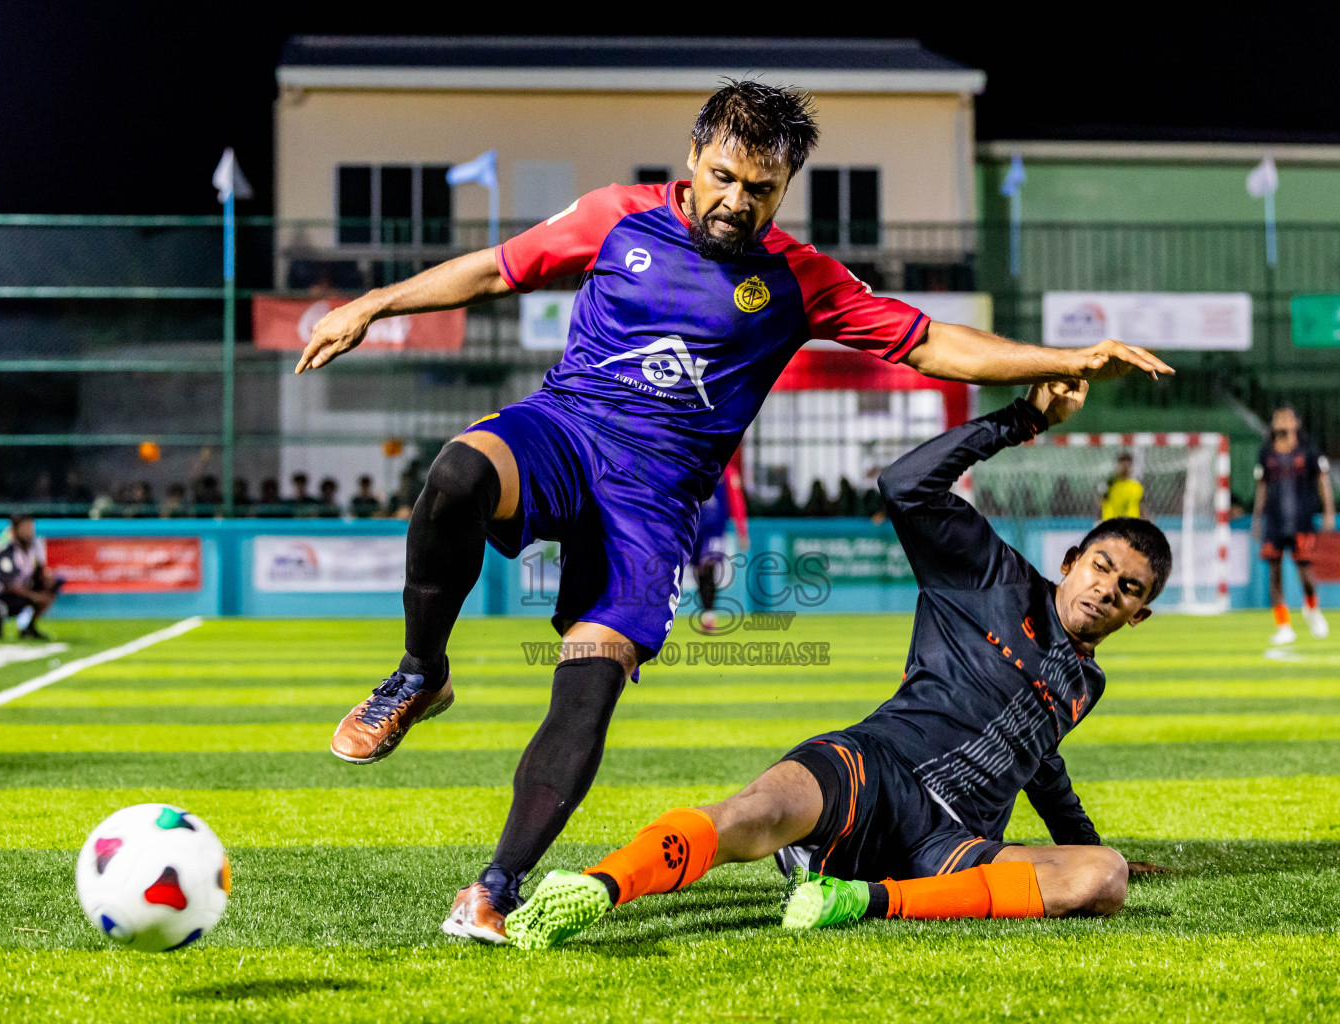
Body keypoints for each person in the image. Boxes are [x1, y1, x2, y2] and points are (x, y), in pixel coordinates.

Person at [295, 79, 1172, 942]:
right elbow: (495, 269)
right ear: (693, 158)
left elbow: (932, 341)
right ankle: (420, 673)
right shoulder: (615, 216)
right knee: (455, 475)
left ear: (785, 188)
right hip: (567, 427)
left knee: (587, 689)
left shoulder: (800, 279)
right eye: (723, 176)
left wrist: (1062, 357)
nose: (736, 201)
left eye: (761, 189)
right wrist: (372, 303)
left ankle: (496, 886)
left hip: (655, 496)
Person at [505, 381, 1170, 948]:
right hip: (877, 767)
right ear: (1070, 562)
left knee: (1101, 876)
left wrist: (1083, 842)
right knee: (756, 813)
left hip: (951, 844)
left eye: (1129, 588)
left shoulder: (1086, 683)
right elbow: (906, 484)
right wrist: (1022, 418)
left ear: (1137, 614)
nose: (1107, 588)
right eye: (1101, 567)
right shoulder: (991, 576)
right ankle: (596, 887)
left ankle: (857, 899)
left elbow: (1041, 765)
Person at [1252, 405, 1334, 646]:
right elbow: (1262, 487)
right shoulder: (1266, 453)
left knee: (1305, 573)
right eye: (1278, 418)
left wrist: (1329, 511)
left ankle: (1312, 608)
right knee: (1274, 575)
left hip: (1301, 520)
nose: (1282, 422)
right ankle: (1283, 625)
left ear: (1296, 422)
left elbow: (1322, 480)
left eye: (1287, 418)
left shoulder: (1308, 450)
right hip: (1274, 523)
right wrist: (1257, 518)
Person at [0, 514, 63, 641]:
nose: (29, 531)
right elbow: (8, 584)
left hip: (20, 591)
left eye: (30, 527)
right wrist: (34, 596)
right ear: (16, 529)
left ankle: (29, 628)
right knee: (31, 598)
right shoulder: (6, 550)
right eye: (25, 527)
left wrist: (47, 578)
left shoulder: (33, 548)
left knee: (54, 584)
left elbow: (37, 573)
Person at [692, 453, 748, 633]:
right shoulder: (692, 471)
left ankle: (709, 617)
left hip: (715, 529)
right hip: (694, 528)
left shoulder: (729, 473)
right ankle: (706, 612)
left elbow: (736, 501)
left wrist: (742, 531)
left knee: (708, 566)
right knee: (698, 571)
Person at [1098, 452, 1144, 519]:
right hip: (1112, 523)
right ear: (1117, 466)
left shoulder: (1137, 486)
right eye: (1122, 465)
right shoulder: (1110, 483)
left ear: (1131, 467)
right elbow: (1100, 502)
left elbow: (1141, 507)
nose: (1125, 468)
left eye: (1127, 465)